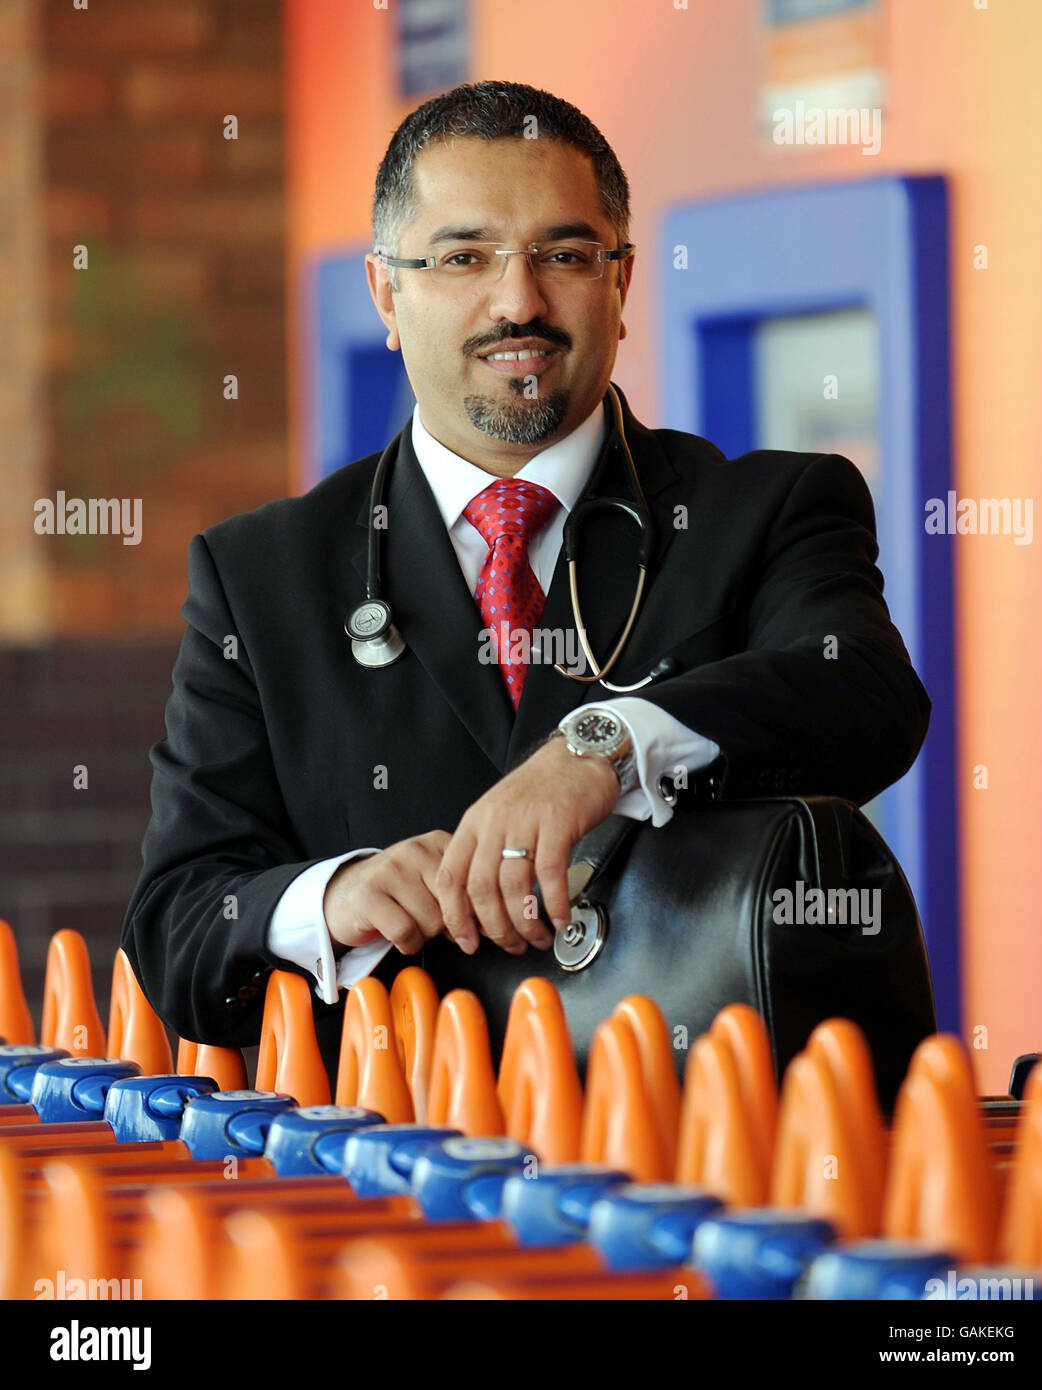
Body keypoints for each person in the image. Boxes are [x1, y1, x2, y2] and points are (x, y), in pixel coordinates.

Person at [121, 81, 930, 1076]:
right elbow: (178, 926)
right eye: (463, 257)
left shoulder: (764, 510)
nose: (518, 301)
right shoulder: (261, 575)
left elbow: (864, 697)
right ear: (385, 290)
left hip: (716, 1172)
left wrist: (602, 746)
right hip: (392, 1181)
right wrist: (331, 899)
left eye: (564, 254)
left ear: (621, 283)